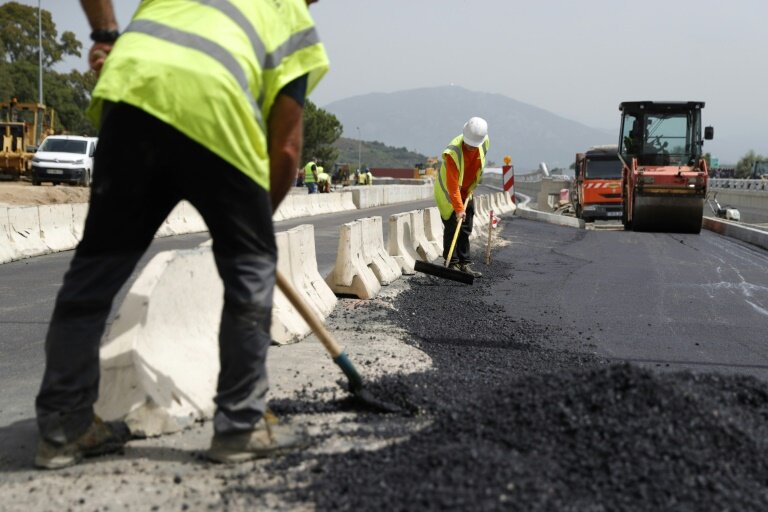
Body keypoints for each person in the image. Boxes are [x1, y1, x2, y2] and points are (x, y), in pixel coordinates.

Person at [34, 0, 329, 469]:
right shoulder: (290, 18)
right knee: (249, 279)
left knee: (94, 275)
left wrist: (105, 33)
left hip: (131, 103)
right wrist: (253, 238)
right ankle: (239, 427)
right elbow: (287, 148)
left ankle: (63, 428)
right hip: (217, 115)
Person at [433, 117, 489, 278]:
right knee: (452, 226)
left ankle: (464, 263)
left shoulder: (484, 141)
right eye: (469, 145)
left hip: (466, 191)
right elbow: (452, 186)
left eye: (474, 146)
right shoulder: (453, 153)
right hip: (448, 193)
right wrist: (458, 209)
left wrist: (470, 187)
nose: (471, 148)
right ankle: (451, 263)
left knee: (466, 227)